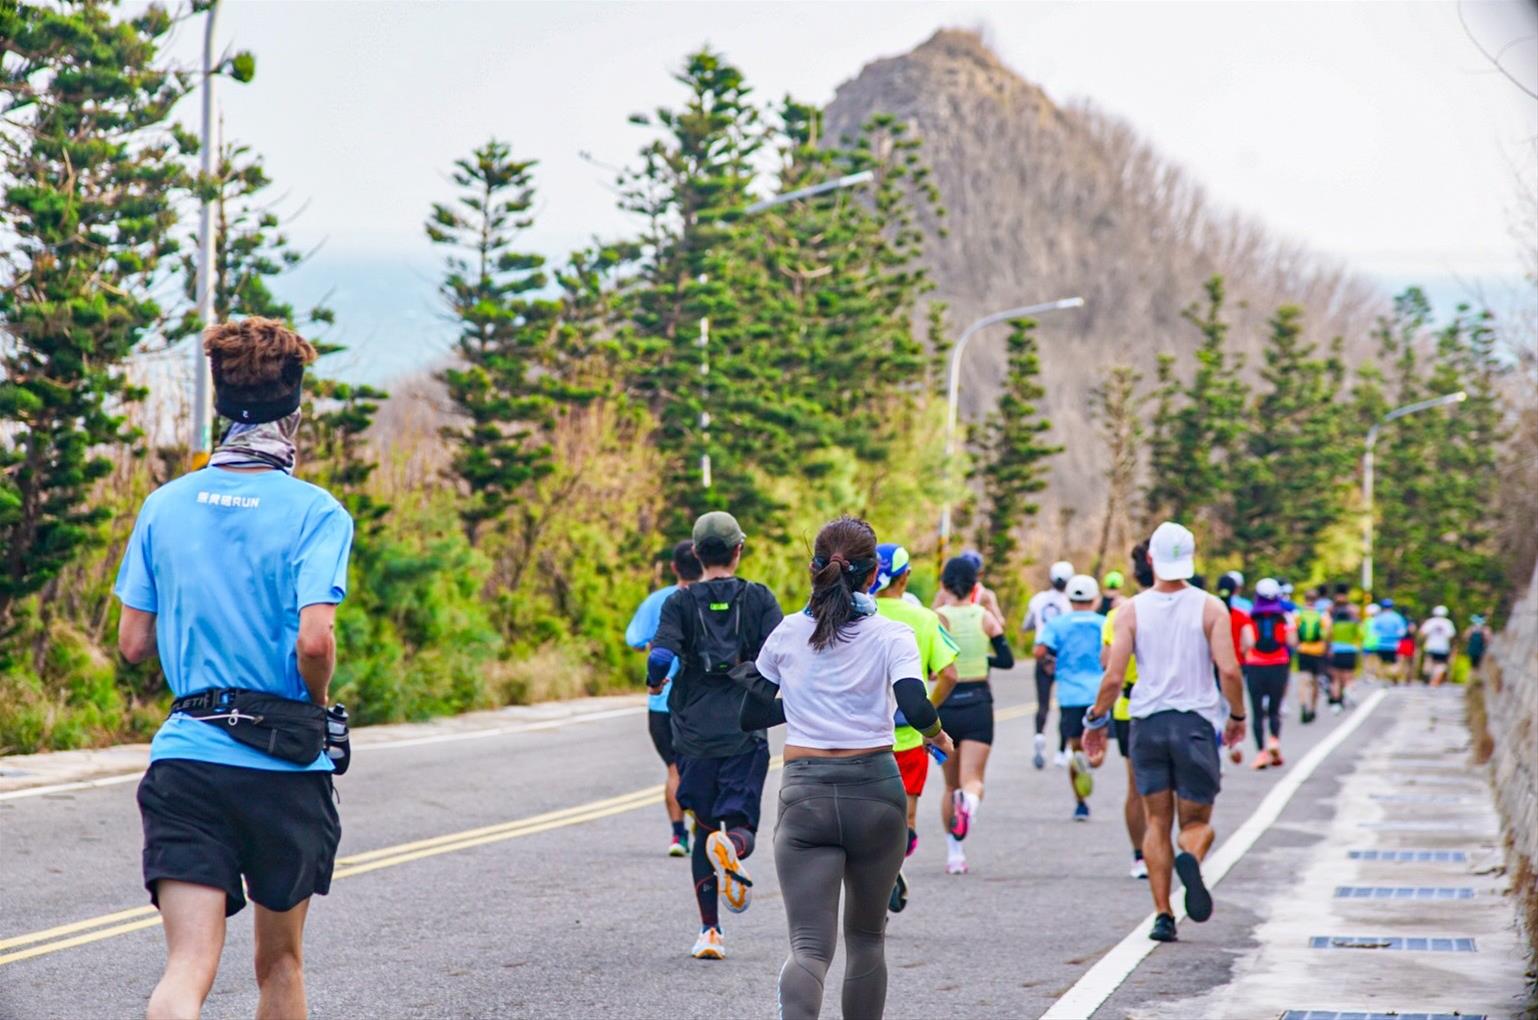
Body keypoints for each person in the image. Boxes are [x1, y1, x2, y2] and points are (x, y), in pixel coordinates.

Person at [114, 317, 354, 1020]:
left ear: (221, 401)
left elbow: (132, 642)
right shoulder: (317, 512)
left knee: (187, 965)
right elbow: (316, 641)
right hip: (283, 767)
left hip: (187, 758)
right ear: (294, 405)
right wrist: (319, 703)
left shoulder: (163, 505)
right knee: (280, 964)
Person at [736, 516, 955, 1020]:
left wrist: (805, 702)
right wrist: (937, 735)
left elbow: (751, 714)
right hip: (875, 793)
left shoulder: (788, 632)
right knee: (866, 940)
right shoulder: (893, 635)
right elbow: (915, 704)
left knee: (809, 948)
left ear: (815, 568)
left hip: (806, 796)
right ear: (873, 573)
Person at [1083, 522, 1247, 944]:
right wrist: (1237, 716)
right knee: (1197, 822)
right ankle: (1190, 855)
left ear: (1151, 559)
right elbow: (1229, 670)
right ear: (1191, 559)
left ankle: (1162, 914)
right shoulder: (1211, 608)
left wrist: (1096, 721)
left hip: (1147, 725)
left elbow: (1113, 676)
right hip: (1194, 725)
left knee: (1156, 820)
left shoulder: (1130, 611)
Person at [646, 511, 784, 960]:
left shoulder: (680, 602)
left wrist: (655, 683)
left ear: (696, 553)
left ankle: (710, 932)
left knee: (703, 826)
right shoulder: (759, 598)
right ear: (738, 550)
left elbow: (660, 656)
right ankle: (734, 846)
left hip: (694, 730)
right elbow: (785, 651)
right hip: (745, 725)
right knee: (741, 824)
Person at [869, 542, 959, 912]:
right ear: (905, 577)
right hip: (908, 738)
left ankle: (877, 873)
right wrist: (927, 713)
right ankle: (892, 868)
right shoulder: (924, 618)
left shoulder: (855, 614)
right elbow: (949, 674)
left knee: (867, 814)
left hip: (863, 738)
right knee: (904, 818)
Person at [935, 555, 1015, 875]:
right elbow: (1007, 659)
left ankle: (955, 855)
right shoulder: (985, 617)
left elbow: (930, 666)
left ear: (944, 585)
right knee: (973, 780)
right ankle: (970, 803)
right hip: (978, 703)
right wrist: (982, 658)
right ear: (974, 586)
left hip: (945, 705)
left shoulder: (937, 618)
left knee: (949, 786)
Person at [625, 539, 704, 857]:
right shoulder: (713, 598)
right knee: (703, 767)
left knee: (674, 770)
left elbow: (634, 640)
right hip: (701, 701)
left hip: (660, 702)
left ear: (673, 567)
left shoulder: (657, 601)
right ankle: (704, 823)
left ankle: (678, 836)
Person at [1035, 574, 1106, 821]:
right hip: (1098, 694)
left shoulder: (1058, 624)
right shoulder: (1103, 623)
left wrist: (1050, 663)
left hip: (1069, 694)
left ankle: (1080, 804)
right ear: (1095, 599)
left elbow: (1040, 651)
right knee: (1099, 744)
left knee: (1075, 746)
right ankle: (1093, 761)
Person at [1103, 542, 1153, 878]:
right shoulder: (1197, 608)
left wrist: (1096, 716)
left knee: (1136, 787)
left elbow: (1108, 666)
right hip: (1176, 707)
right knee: (1171, 789)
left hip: (1128, 707)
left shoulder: (1119, 615)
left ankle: (1140, 857)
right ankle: (1169, 848)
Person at [1023, 560, 1074, 769]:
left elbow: (1027, 624)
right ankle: (1062, 750)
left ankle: (1039, 736)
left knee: (1042, 703)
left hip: (1042, 653)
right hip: (1063, 656)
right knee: (1065, 704)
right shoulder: (1070, 602)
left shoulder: (1039, 599)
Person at [1243, 578, 1294, 769]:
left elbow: (1248, 642)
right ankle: (1274, 740)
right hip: (1279, 664)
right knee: (1275, 709)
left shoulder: (1250, 616)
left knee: (1257, 712)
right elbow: (1292, 641)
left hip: (1255, 665)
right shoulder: (1285, 616)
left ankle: (1261, 753)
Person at [1216, 573, 1255, 763]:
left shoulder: (1212, 612)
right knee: (1234, 706)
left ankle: (1219, 754)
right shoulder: (1240, 614)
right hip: (1237, 666)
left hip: (1213, 667)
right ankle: (1235, 742)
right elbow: (1250, 641)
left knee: (1216, 711)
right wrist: (1241, 651)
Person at [932, 548, 1005, 625]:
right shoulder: (945, 593)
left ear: (980, 574)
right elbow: (932, 617)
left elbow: (999, 622)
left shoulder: (985, 596)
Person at [1292, 589, 1331, 724]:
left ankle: (1303, 705)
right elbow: (1327, 633)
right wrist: (1327, 647)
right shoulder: (1322, 614)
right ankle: (1313, 708)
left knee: (1303, 680)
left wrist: (1297, 646)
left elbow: (1293, 632)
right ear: (1317, 599)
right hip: (1318, 651)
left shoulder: (1298, 613)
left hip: (1303, 650)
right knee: (1315, 682)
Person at [1326, 585, 1362, 712]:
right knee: (1349, 676)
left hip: (1335, 650)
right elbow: (1360, 634)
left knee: (1335, 678)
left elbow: (1327, 635)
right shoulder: (1353, 614)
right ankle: (1348, 690)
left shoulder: (1332, 615)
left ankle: (1336, 702)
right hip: (1350, 650)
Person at [1418, 605, 1457, 686]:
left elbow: (1422, 633)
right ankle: (1435, 680)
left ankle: (1429, 677)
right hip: (1443, 647)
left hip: (1431, 646)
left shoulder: (1430, 621)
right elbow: (1451, 635)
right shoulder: (1448, 623)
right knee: (1440, 664)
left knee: (1429, 662)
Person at [1374, 598, 1410, 684]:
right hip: (1394, 644)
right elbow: (1402, 631)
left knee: (1383, 663)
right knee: (1394, 663)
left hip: (1381, 644)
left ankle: (1386, 679)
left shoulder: (1379, 617)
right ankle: (1392, 676)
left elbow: (1374, 631)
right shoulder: (1397, 617)